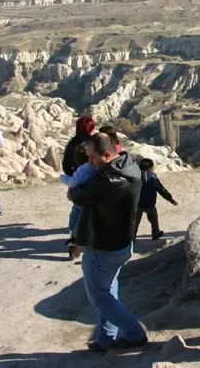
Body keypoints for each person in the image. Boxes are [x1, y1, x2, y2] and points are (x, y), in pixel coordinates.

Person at [68, 133, 147, 352]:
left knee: (99, 297)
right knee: (109, 291)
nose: (89, 162)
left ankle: (135, 334)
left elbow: (74, 194)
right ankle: (106, 338)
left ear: (107, 155)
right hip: (122, 243)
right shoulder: (128, 166)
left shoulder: (108, 181)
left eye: (92, 158)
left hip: (104, 246)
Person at [63, 116, 96, 259]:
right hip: (93, 183)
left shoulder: (72, 143)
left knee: (75, 214)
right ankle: (91, 243)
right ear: (91, 128)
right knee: (93, 213)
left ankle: (73, 243)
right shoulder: (93, 142)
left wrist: (75, 178)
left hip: (76, 184)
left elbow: (65, 166)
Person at [135, 158, 178, 241]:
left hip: (137, 205)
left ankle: (131, 239)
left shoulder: (135, 178)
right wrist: (171, 199)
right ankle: (156, 233)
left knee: (135, 224)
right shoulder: (153, 179)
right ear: (150, 168)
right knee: (153, 220)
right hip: (150, 205)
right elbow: (162, 191)